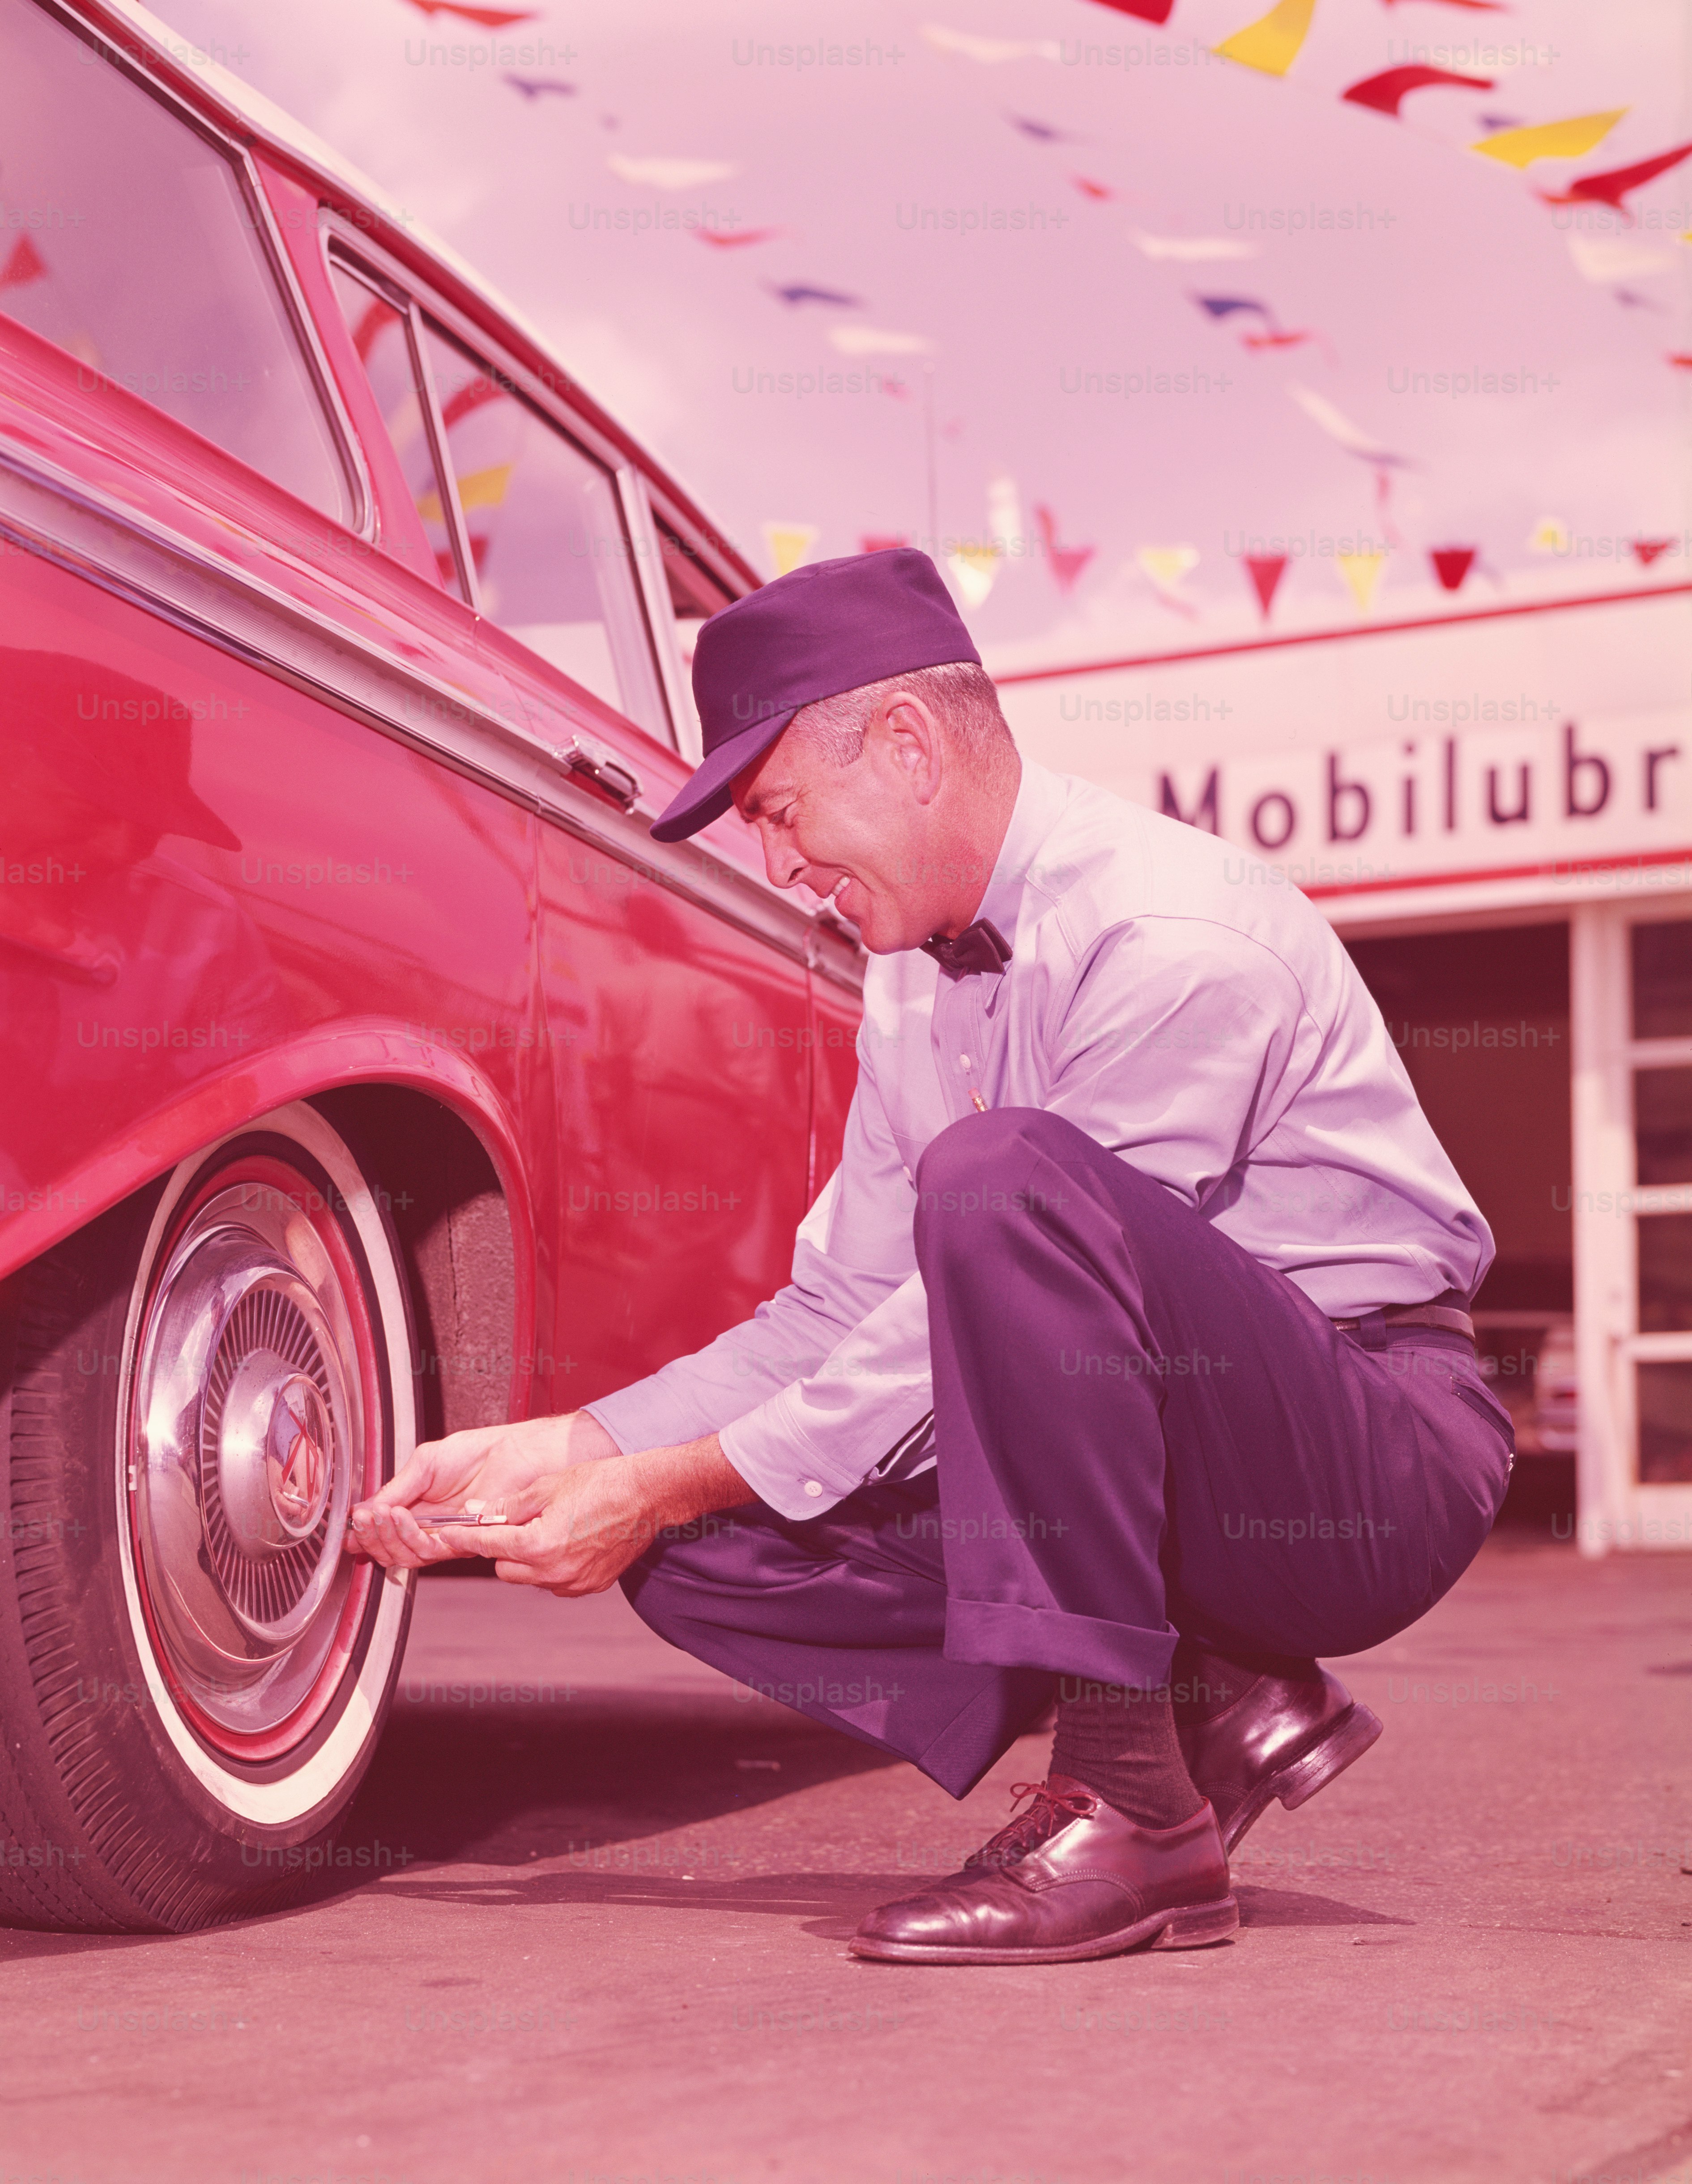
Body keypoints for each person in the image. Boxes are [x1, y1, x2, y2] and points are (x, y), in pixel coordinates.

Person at [349, 547, 1514, 1966]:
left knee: (998, 1181)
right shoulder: (912, 974)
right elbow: (839, 1310)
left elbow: (1016, 1264)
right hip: (1174, 1443)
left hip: (1366, 1450)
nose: (779, 866)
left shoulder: (1173, 931)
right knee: (693, 1550)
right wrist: (578, 1444)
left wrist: (654, 1481)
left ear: (905, 746)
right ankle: (1223, 1693)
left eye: (780, 811)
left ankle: (1132, 1812)